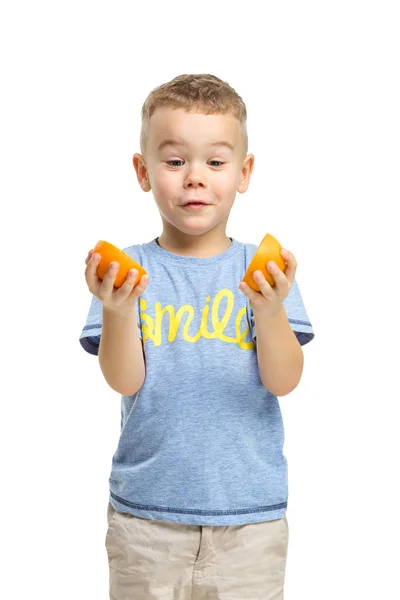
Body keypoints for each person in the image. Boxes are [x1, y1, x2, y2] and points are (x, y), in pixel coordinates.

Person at [80, 73, 315, 599]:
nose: (195, 178)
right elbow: (124, 380)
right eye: (174, 160)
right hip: (146, 522)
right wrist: (118, 312)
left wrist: (270, 311)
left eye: (215, 161)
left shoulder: (265, 272)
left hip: (249, 522)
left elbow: (283, 381)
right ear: (143, 172)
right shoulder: (127, 272)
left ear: (244, 172)